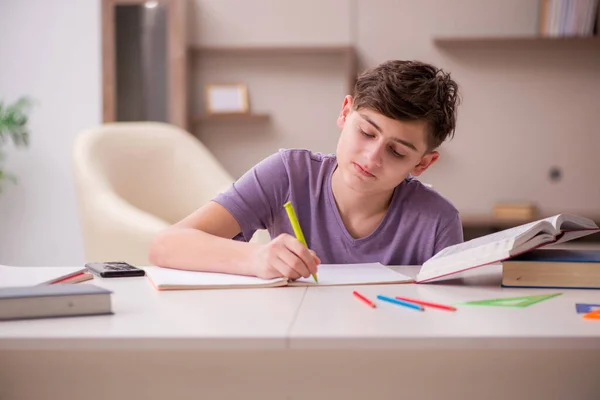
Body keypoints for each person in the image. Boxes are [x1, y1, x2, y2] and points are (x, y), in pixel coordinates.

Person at [149, 59, 463, 280]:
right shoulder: (288, 174)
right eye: (366, 133)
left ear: (422, 163)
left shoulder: (438, 221)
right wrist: (257, 258)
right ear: (344, 113)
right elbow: (166, 246)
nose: (371, 157)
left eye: (396, 151)